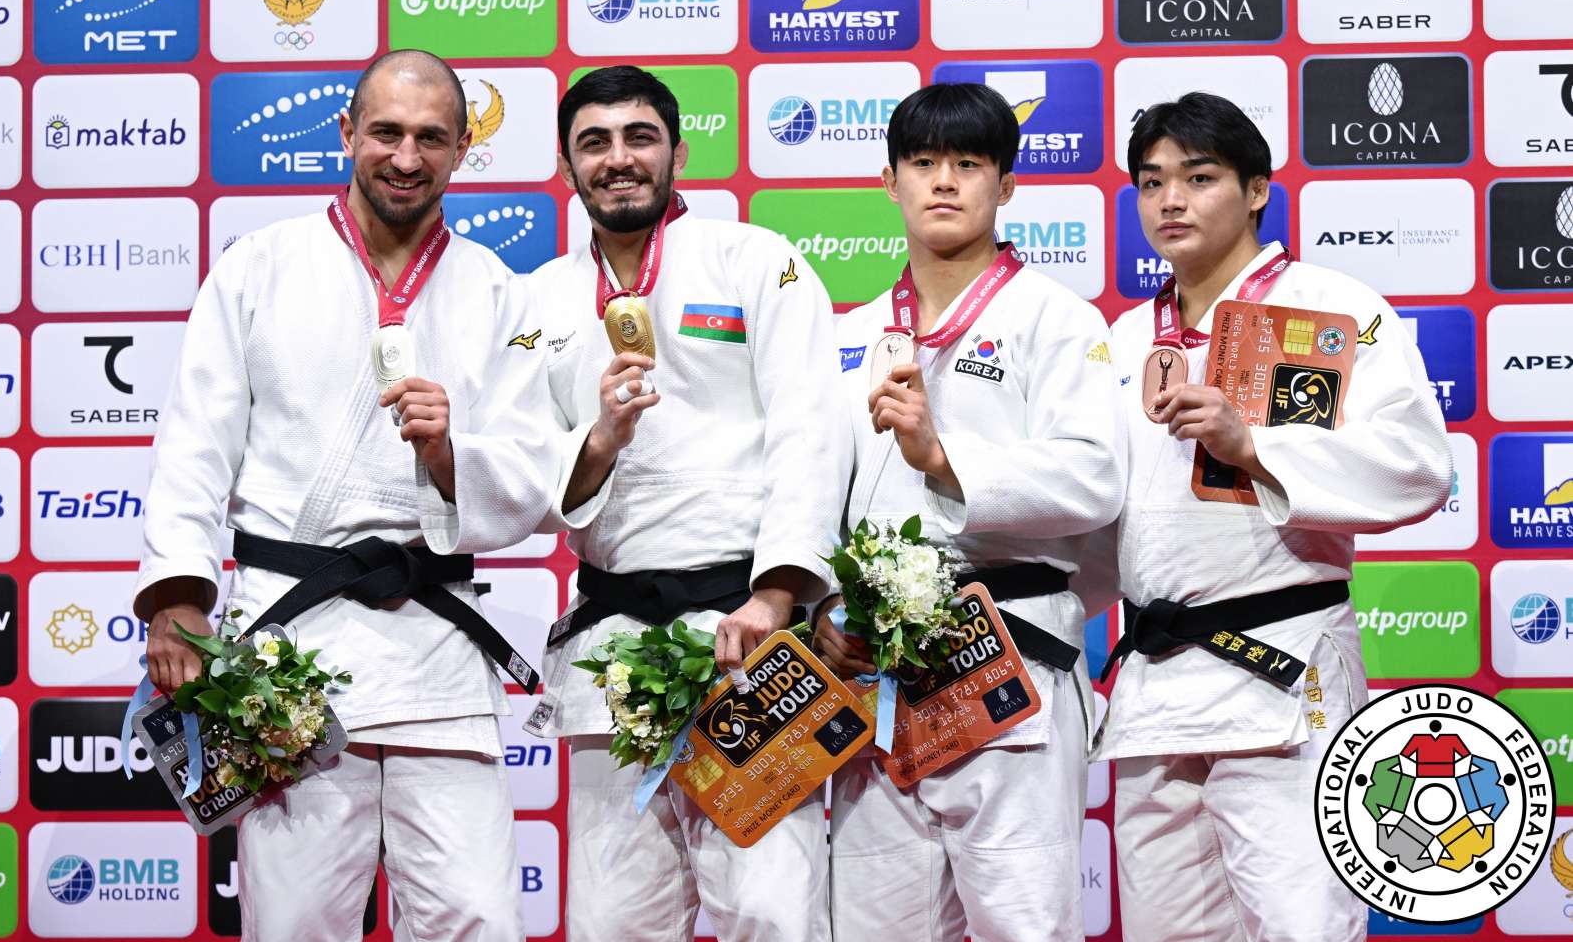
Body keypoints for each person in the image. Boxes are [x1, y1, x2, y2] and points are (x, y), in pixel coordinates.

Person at [135, 49, 561, 942]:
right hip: (291, 654)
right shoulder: (259, 266)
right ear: (346, 133)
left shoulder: (497, 290)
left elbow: (527, 481)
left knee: (477, 916)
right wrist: (177, 596)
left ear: (463, 148)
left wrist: (452, 455)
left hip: (438, 652)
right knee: (294, 923)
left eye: (432, 138)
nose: (407, 157)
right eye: (388, 133)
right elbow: (193, 443)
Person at [1092, 91, 1452, 941]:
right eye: (1150, 184)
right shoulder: (1116, 339)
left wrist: (1253, 444)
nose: (1170, 201)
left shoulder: (1328, 306)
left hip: (1285, 672)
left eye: (1199, 177)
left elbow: (1417, 467)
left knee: (1305, 928)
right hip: (1153, 688)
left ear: (1256, 189)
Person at [523, 65, 847, 940]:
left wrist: (778, 596)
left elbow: (810, 430)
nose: (618, 159)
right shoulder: (540, 300)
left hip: (752, 640)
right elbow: (518, 467)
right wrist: (595, 444)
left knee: (773, 910)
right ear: (567, 165)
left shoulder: (757, 260)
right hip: (615, 648)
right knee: (613, 919)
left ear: (677, 152)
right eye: (595, 142)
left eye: (639, 137)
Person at [811, 82, 1124, 941]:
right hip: (877, 685)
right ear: (889, 183)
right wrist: (820, 614)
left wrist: (941, 457)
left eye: (968, 164)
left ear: (1007, 185)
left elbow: (1096, 479)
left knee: (1026, 928)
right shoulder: (849, 334)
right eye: (922, 164)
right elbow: (812, 496)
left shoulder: (1057, 319)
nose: (943, 182)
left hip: (1009, 663)